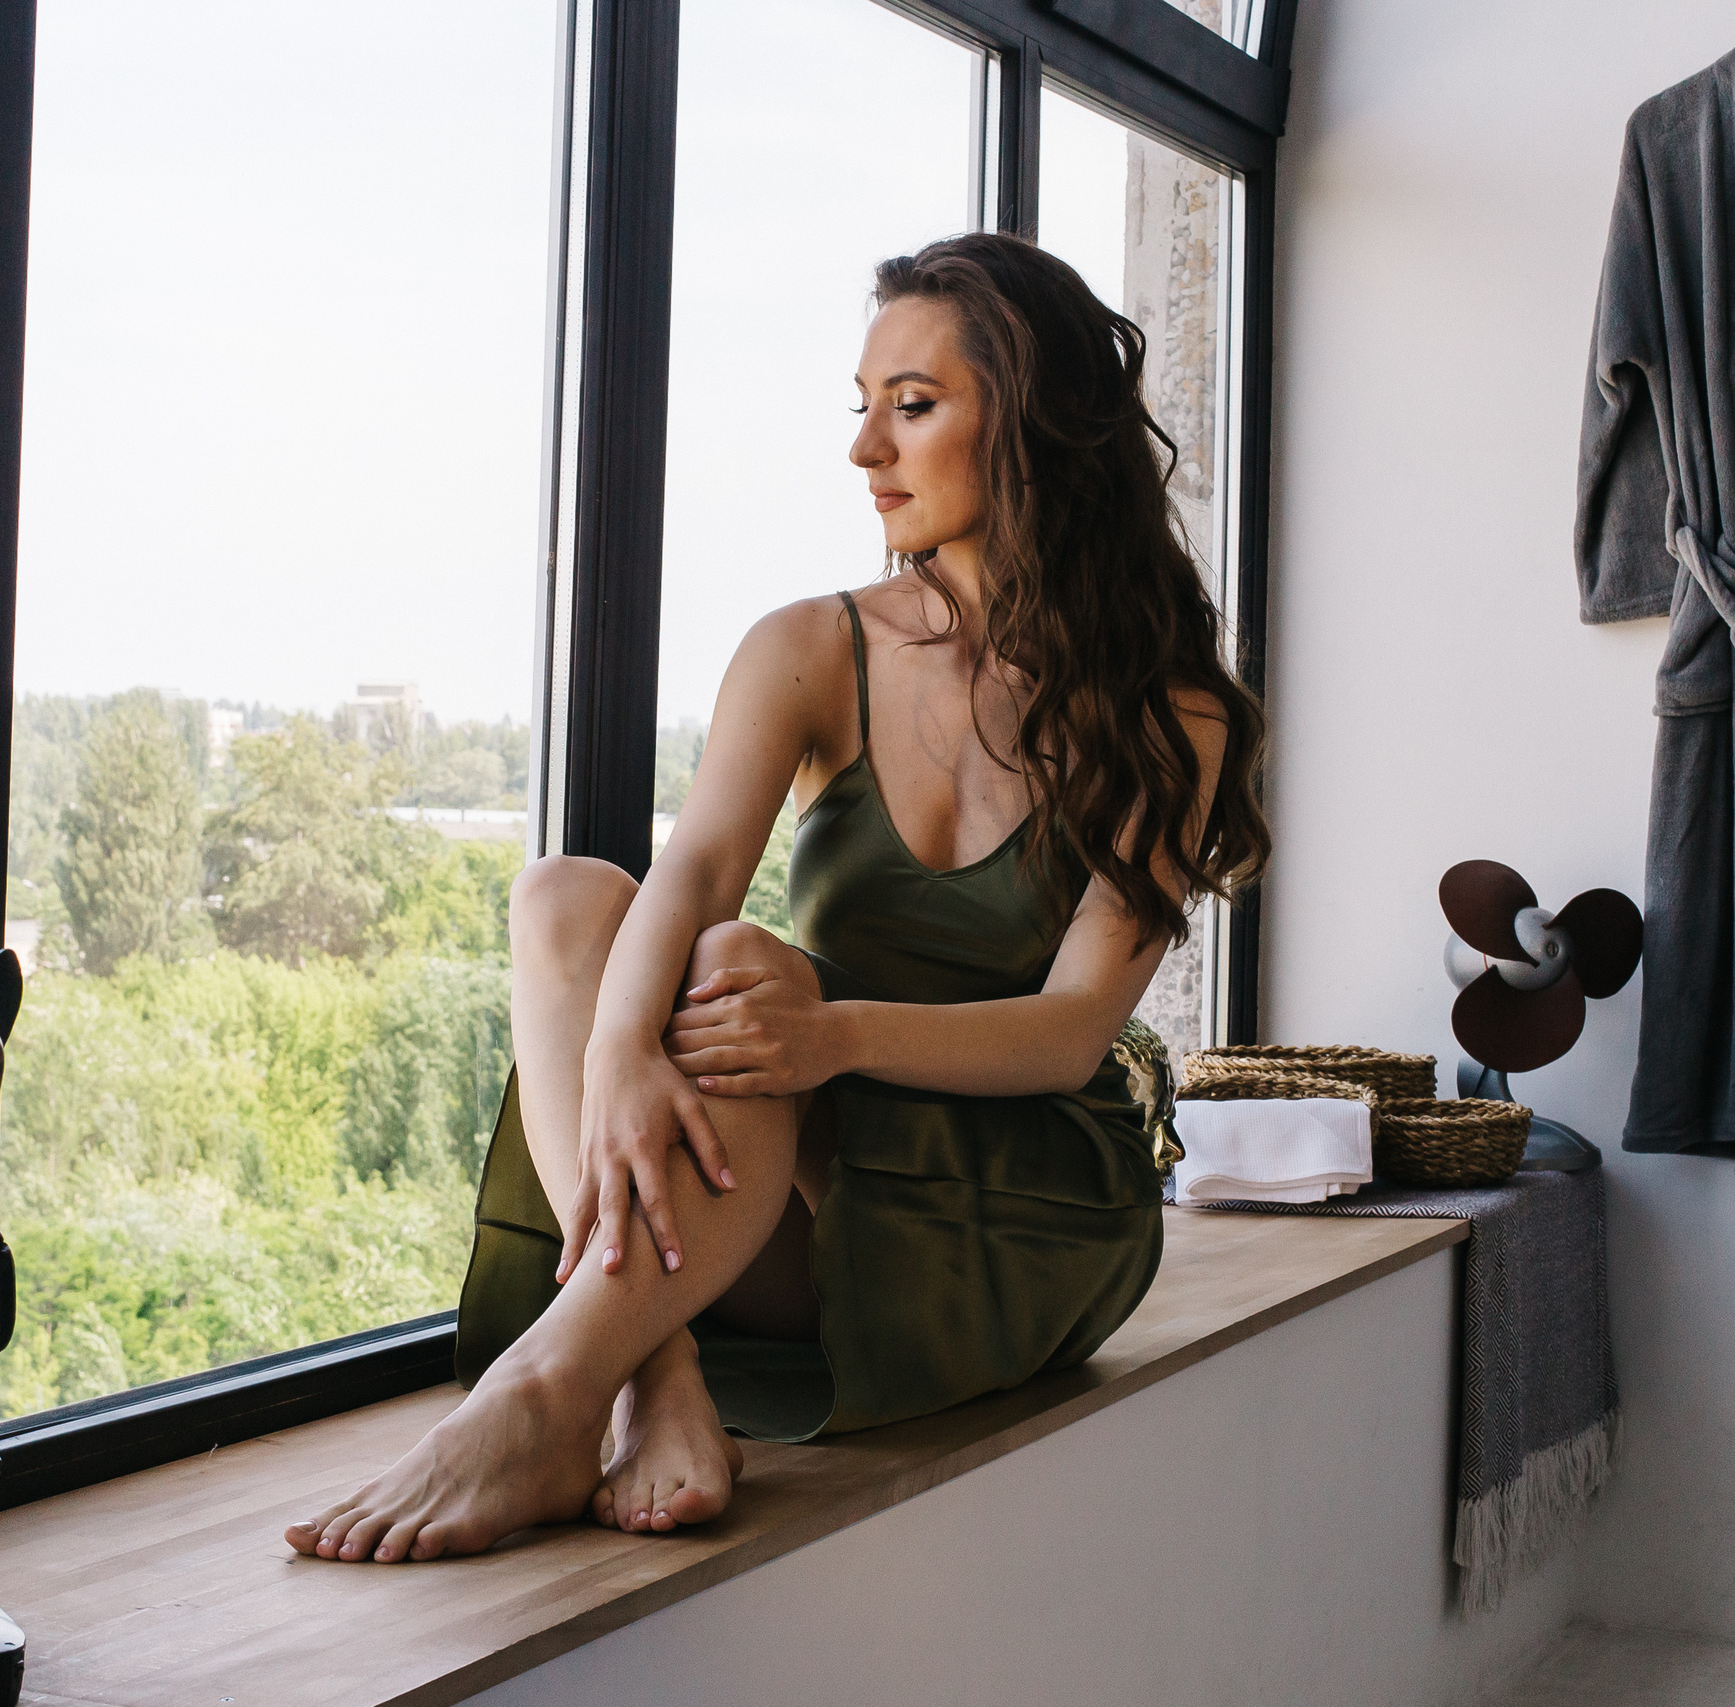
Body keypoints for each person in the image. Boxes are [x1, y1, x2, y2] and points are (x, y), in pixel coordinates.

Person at [286, 231, 1268, 1564]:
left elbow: (1071, 1030)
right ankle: (649, 1367)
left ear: (1034, 425)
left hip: (1018, 1207)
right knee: (569, 895)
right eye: (862, 409)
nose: (867, 451)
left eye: (913, 408)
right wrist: (627, 1051)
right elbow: (684, 875)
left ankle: (551, 1389)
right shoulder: (810, 647)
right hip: (806, 1190)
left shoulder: (1171, 710)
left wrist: (831, 1034)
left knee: (762, 971)